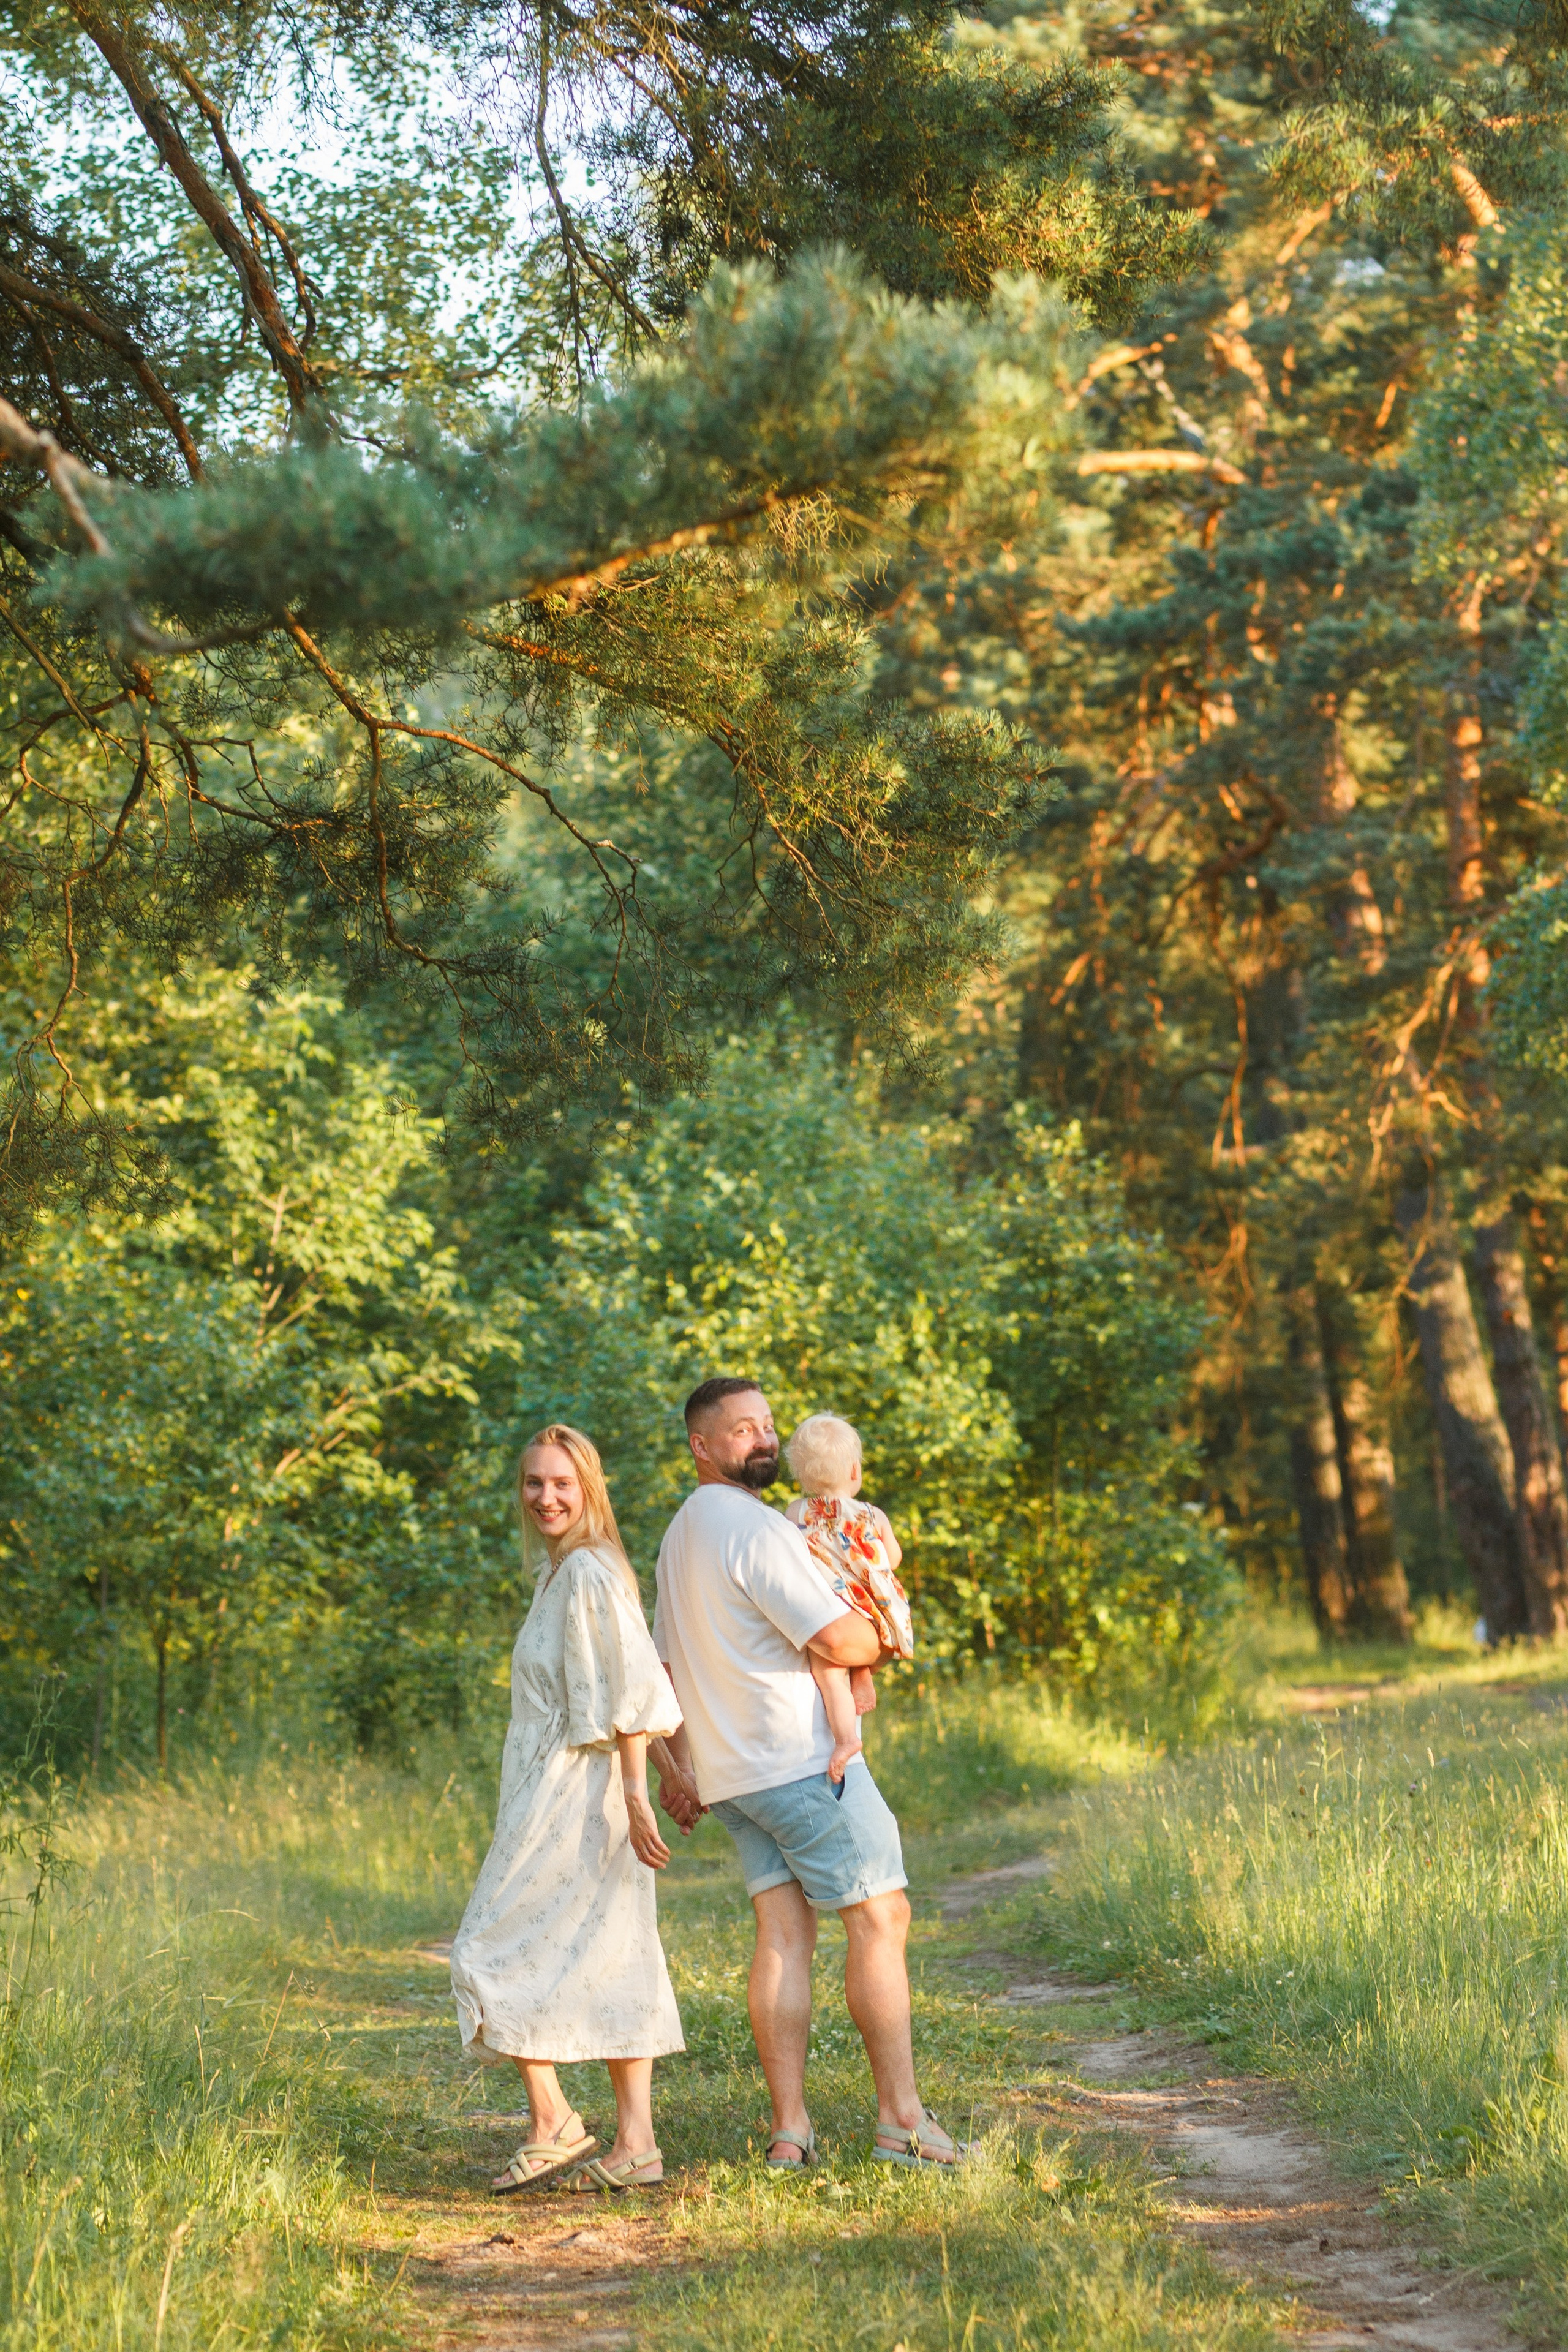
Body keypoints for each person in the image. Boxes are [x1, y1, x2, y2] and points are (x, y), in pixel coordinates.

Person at [650, 1376, 965, 2173]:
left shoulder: (681, 1533)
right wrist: (883, 1624)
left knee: (786, 1933)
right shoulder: (756, 1530)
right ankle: (902, 2122)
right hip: (799, 1759)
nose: (760, 1439)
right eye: (740, 1429)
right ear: (701, 1446)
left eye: (767, 1426)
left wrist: (682, 1766)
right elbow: (841, 1638)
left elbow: (665, 1662)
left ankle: (791, 2131)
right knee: (880, 1916)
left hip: (733, 1777)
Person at [450, 1422, 695, 2195]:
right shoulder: (559, 1573)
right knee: (609, 1947)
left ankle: (556, 2122)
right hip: (554, 1786)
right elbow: (628, 1682)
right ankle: (635, 2145)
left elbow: (628, 1690)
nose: (545, 1497)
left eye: (561, 1483)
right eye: (533, 1483)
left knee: (483, 1948)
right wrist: (667, 1770)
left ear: (588, 1489)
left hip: (578, 1791)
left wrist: (636, 1789)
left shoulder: (588, 1570)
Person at [782, 1411, 914, 1785]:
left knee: (828, 1672)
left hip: (831, 1607)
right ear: (855, 1472)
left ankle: (845, 1739)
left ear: (801, 1477)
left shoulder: (795, 1512)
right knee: (861, 1645)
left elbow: (788, 1558)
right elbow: (893, 1559)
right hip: (872, 1607)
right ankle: (864, 1672)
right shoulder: (873, 1515)